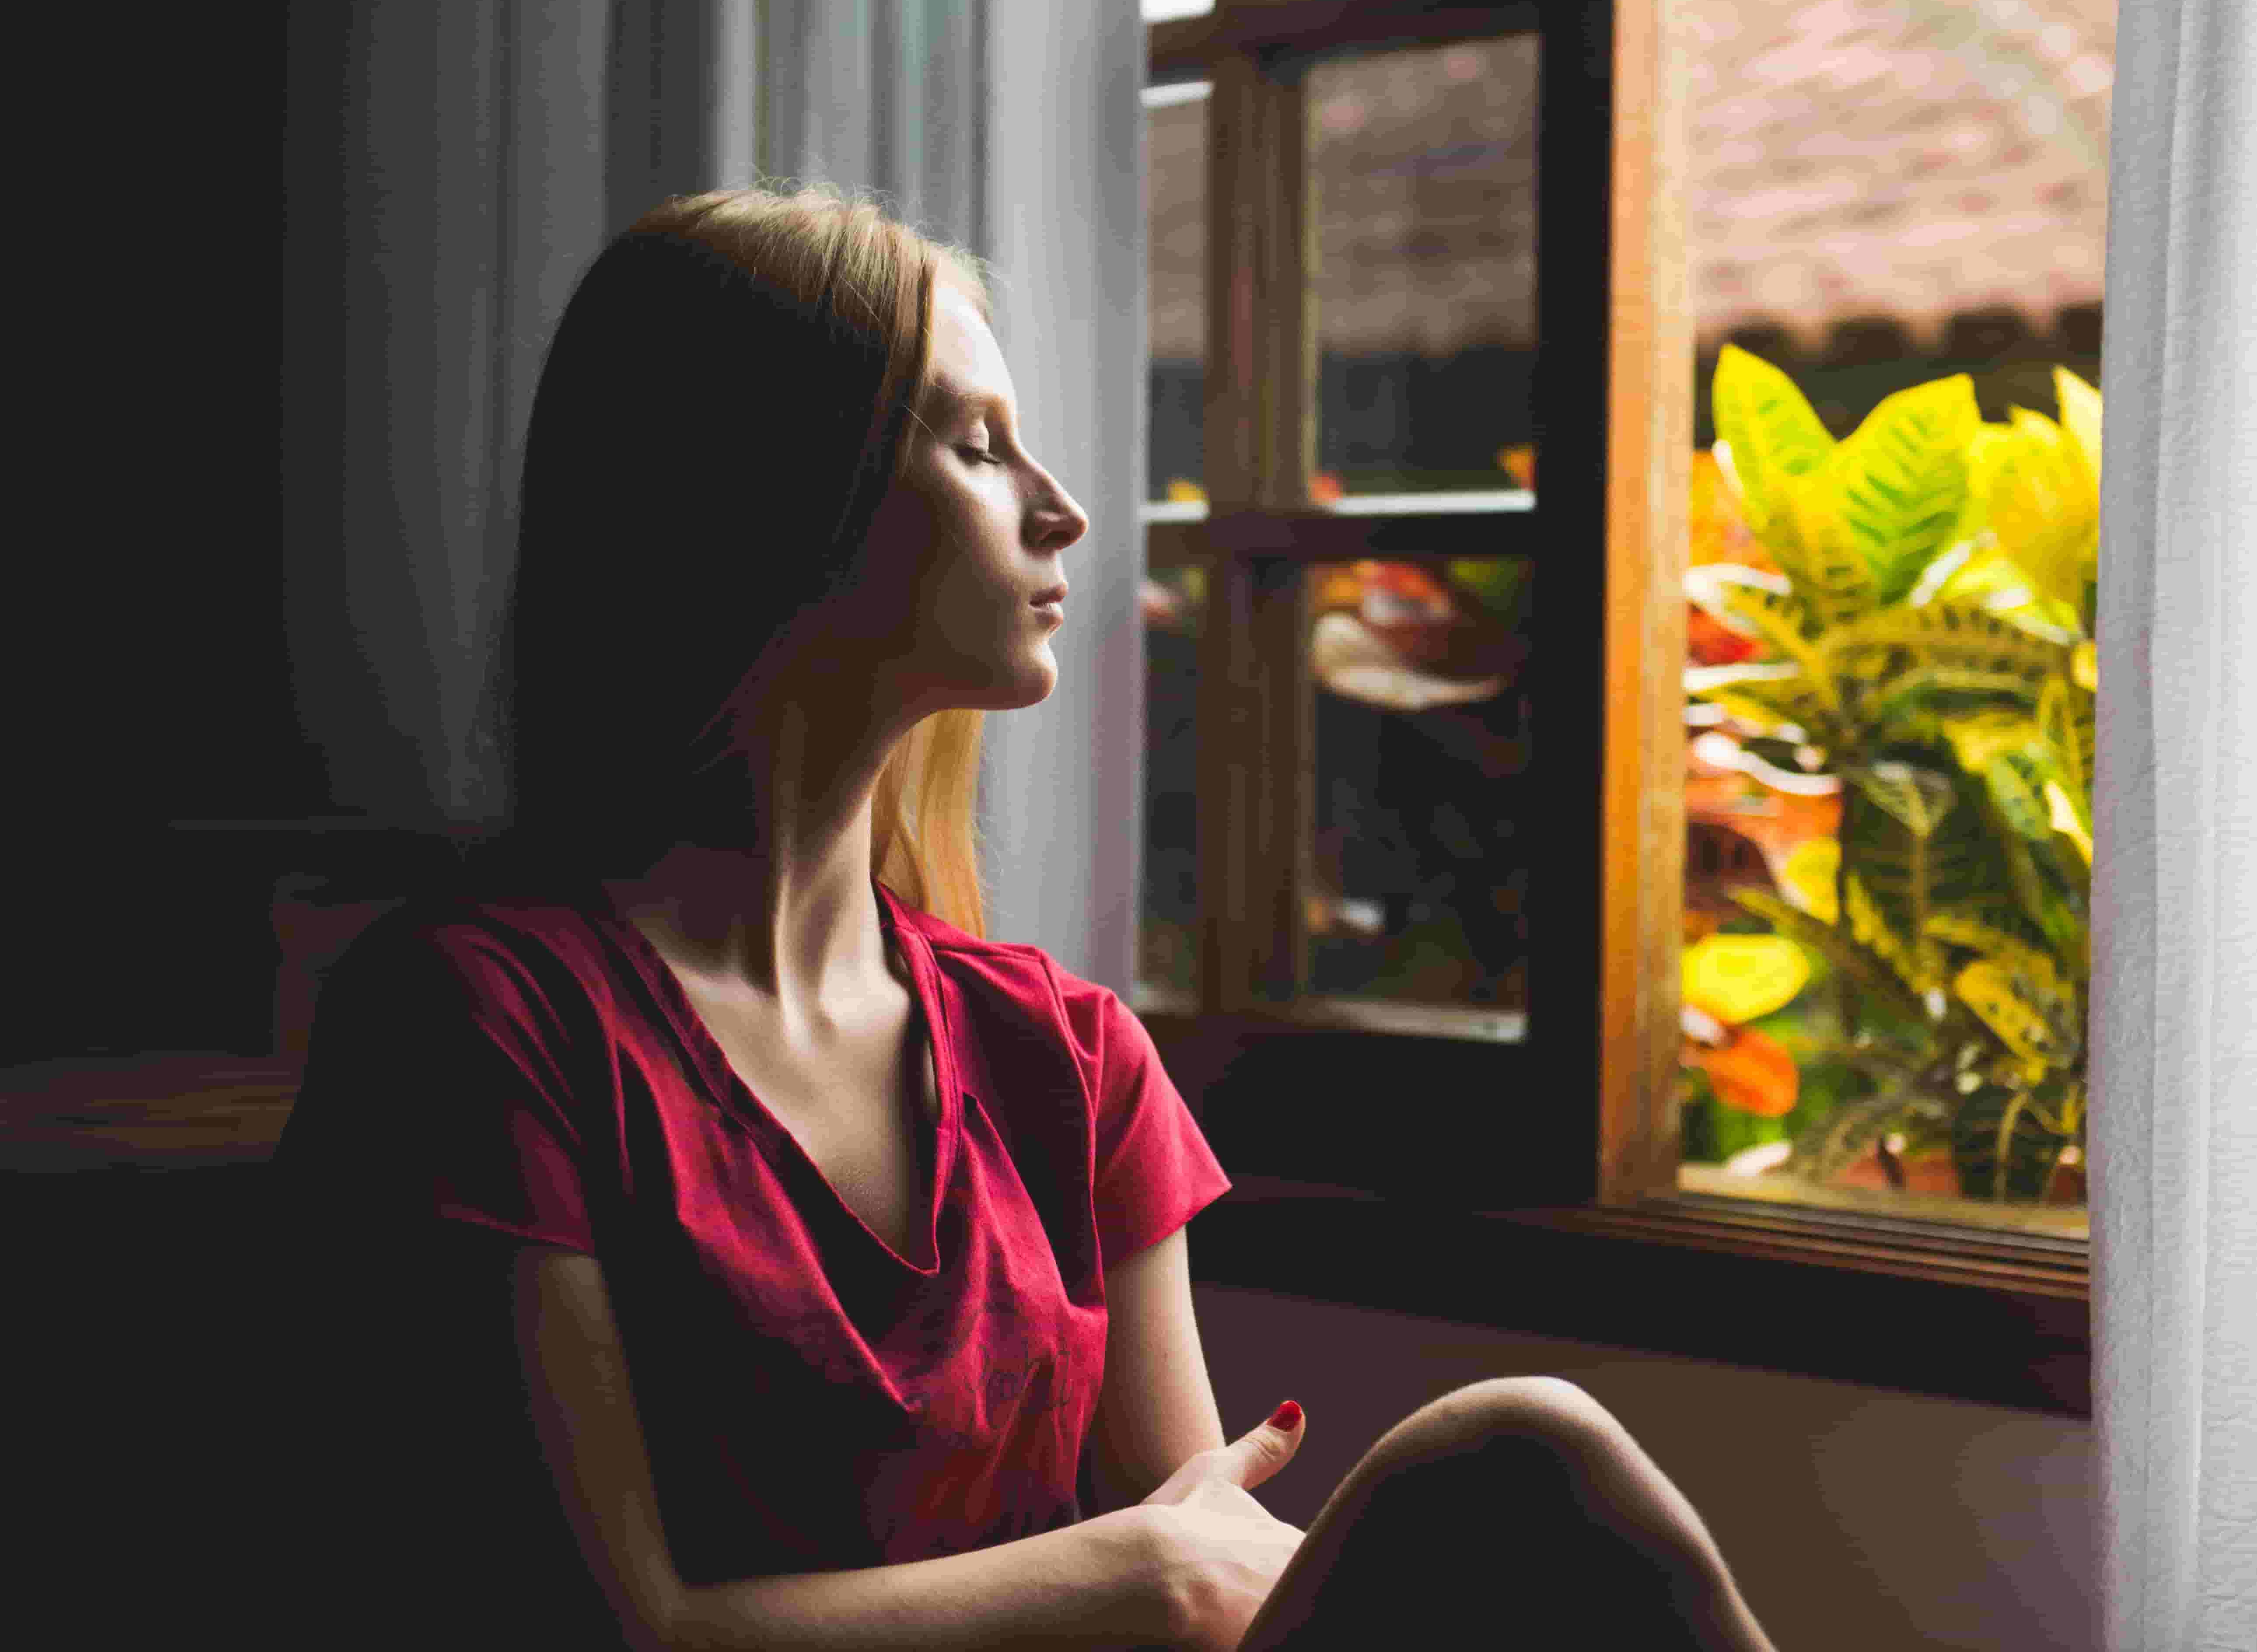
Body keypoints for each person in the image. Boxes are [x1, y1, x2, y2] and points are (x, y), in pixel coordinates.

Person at [266, 182, 1780, 1652]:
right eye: (979, 448)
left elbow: (1212, 1583)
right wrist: (1130, 1571)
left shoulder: (1059, 1051)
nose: (1059, 512)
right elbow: (608, 1627)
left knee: (1526, 1453)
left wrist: (1162, 1575)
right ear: (779, 494)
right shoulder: (480, 1020)